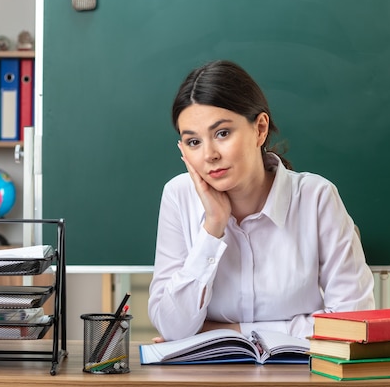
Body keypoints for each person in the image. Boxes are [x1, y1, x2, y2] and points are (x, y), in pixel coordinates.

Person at [148, 60, 375, 342]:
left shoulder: (317, 197)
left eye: (222, 133)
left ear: (260, 129)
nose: (209, 155)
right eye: (194, 142)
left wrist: (228, 332)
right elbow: (171, 328)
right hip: (208, 377)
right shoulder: (178, 195)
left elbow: (354, 320)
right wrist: (213, 228)